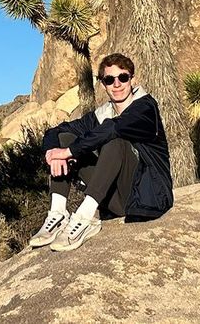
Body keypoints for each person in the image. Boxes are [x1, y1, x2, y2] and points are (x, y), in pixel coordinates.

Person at [30, 53, 173, 252]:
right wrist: (52, 152)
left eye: (123, 77)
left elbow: (114, 128)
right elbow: (56, 131)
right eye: (109, 79)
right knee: (65, 138)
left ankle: (86, 217)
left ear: (133, 79)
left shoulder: (146, 108)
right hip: (113, 199)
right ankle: (58, 213)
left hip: (145, 195)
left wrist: (68, 152)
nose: (117, 84)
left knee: (116, 140)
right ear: (103, 84)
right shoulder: (102, 114)